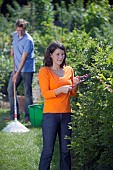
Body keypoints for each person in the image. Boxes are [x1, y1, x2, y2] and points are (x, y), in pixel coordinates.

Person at [38, 41, 80, 170]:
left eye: (62, 54)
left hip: (66, 115)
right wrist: (61, 90)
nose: (60, 57)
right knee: (47, 151)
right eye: (57, 54)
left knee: (66, 152)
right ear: (50, 55)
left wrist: (76, 83)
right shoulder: (44, 71)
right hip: (50, 115)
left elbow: (73, 93)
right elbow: (45, 94)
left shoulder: (69, 70)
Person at [6, 18, 35, 123]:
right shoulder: (15, 35)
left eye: (22, 31)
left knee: (27, 92)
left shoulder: (28, 40)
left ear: (25, 29)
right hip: (16, 68)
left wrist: (16, 73)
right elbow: (15, 43)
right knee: (10, 89)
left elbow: (23, 58)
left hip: (26, 69)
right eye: (18, 30)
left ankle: (27, 117)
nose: (20, 33)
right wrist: (13, 49)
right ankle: (15, 114)